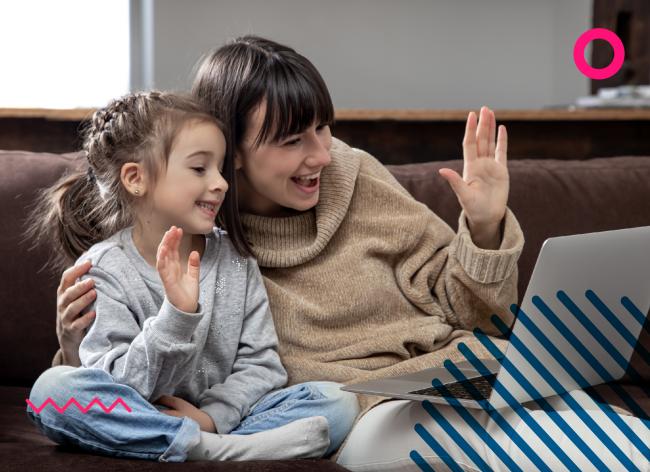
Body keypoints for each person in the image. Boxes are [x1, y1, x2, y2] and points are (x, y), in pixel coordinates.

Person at [48, 37, 649, 470]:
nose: (320, 155)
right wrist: (73, 346)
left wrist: (485, 228)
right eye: (291, 140)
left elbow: (471, 311)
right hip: (367, 412)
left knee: (615, 438)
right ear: (229, 152)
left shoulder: (351, 173)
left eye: (323, 128)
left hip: (464, 373)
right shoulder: (204, 246)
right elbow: (134, 371)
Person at [24, 90, 359, 463]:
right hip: (143, 417)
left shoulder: (234, 259)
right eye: (200, 169)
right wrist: (176, 319)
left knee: (336, 400)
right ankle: (208, 449)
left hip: (225, 421)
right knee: (50, 393)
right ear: (136, 178)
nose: (221, 183)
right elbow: (118, 384)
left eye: (220, 168)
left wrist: (210, 419)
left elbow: (261, 365)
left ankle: (205, 443)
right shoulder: (104, 270)